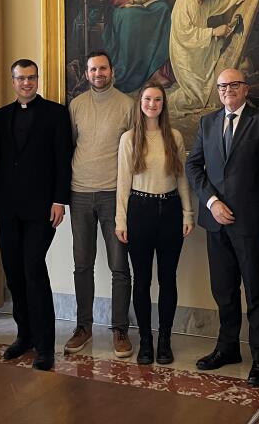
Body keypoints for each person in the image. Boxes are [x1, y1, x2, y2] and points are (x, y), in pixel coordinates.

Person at [185, 68, 259, 387]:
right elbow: (193, 166)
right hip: (216, 223)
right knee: (223, 290)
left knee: (256, 291)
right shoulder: (208, 123)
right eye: (222, 86)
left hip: (252, 223)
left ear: (245, 89)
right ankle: (227, 348)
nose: (227, 90)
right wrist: (211, 202)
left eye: (234, 84)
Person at [0, 59, 72, 371]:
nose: (26, 83)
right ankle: (24, 335)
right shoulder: (1, 115)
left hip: (42, 208)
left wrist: (59, 200)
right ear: (12, 81)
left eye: (31, 78)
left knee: (33, 271)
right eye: (20, 78)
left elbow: (63, 159)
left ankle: (45, 345)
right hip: (8, 208)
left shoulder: (56, 113)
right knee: (14, 273)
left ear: (37, 80)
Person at [115, 83, 194, 365]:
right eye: (147, 99)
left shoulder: (174, 136)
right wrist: (121, 220)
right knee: (142, 280)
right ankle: (146, 341)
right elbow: (123, 182)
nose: (152, 104)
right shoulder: (129, 139)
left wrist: (188, 213)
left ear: (163, 104)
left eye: (158, 100)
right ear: (140, 103)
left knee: (167, 279)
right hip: (140, 210)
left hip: (170, 210)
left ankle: (164, 341)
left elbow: (182, 178)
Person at [65, 51, 135, 358]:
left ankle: (120, 329)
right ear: (87, 73)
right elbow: (70, 146)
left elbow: (135, 152)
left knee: (119, 266)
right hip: (79, 194)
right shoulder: (76, 105)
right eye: (93, 69)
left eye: (103, 68)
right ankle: (83, 327)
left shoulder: (128, 105)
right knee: (82, 265)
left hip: (113, 195)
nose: (98, 73)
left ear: (111, 71)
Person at [168, 0, 259, 113]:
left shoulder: (204, 2)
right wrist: (213, 32)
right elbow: (184, 34)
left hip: (199, 49)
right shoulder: (183, 1)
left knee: (230, 52)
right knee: (195, 97)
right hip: (186, 55)